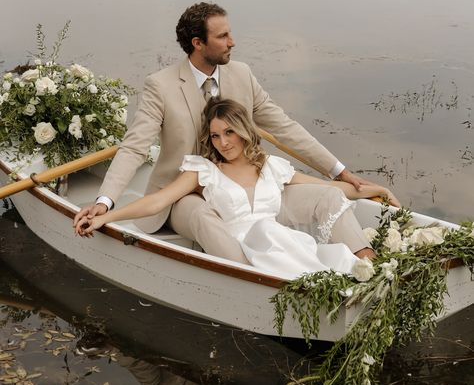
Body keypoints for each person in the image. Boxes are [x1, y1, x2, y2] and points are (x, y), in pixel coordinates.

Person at [75, 1, 395, 263]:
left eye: (230, 33)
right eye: (223, 36)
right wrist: (105, 203)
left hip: (244, 186)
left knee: (327, 194)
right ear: (198, 43)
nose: (233, 42)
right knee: (202, 216)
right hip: (186, 193)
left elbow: (284, 127)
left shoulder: (241, 74)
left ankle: (366, 263)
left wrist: (340, 172)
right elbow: (134, 148)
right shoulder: (161, 86)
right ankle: (256, 280)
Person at [75, 99, 400, 279]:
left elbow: (330, 189)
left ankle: (367, 265)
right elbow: (158, 200)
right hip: (238, 251)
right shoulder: (205, 171)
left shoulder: (271, 166)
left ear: (244, 131)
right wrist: (108, 216)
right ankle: (259, 283)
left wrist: (377, 191)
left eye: (229, 132)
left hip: (277, 241)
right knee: (262, 234)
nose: (223, 142)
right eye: (215, 136)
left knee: (305, 217)